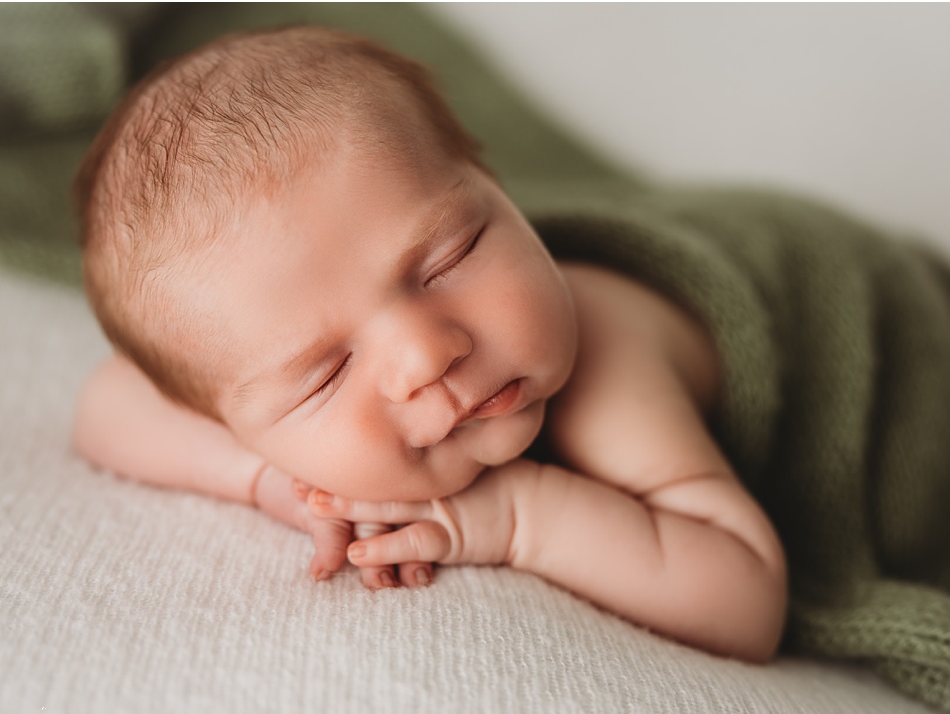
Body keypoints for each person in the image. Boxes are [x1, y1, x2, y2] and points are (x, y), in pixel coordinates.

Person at [71, 25, 787, 663]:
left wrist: (513, 517)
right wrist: (283, 485)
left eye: (449, 258)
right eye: (327, 374)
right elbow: (105, 404)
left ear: (498, 187)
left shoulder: (610, 361)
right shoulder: (257, 374)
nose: (425, 355)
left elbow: (746, 596)